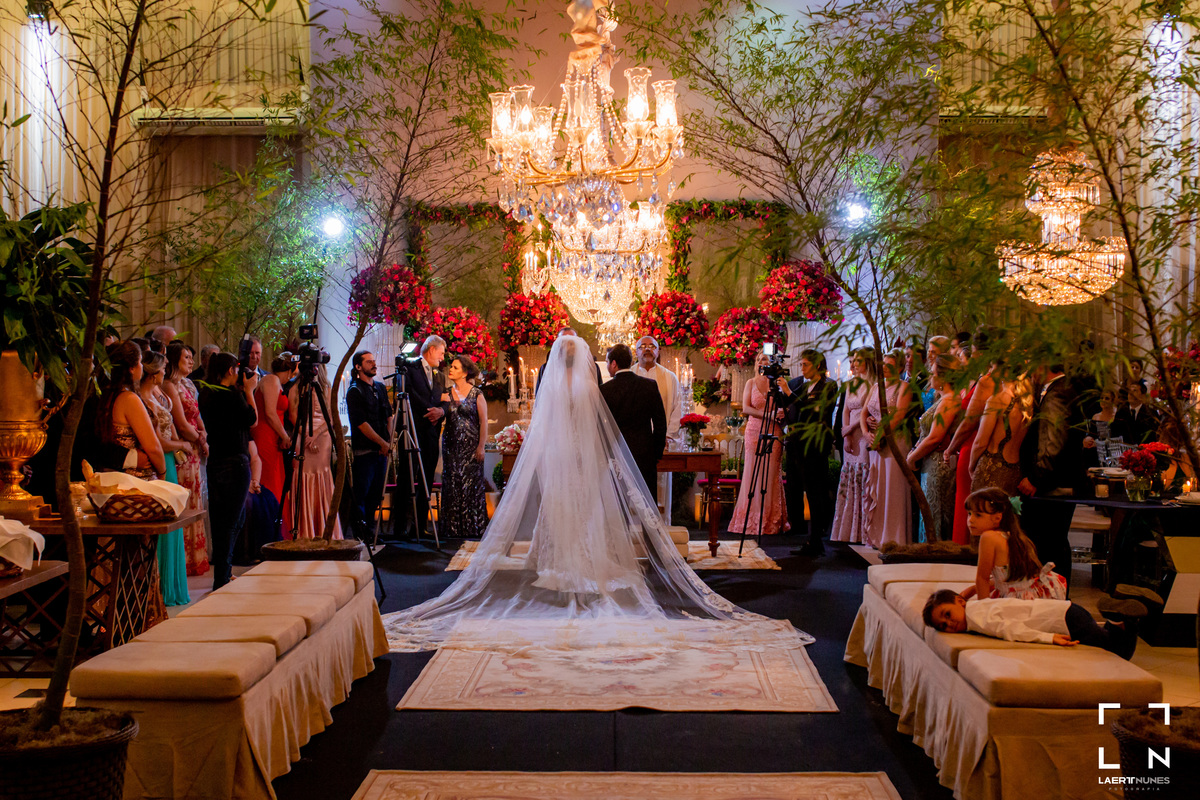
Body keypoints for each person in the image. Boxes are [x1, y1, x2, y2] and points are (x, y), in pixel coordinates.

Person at [381, 335, 812, 653]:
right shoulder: (591, 389)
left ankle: (553, 561)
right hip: (584, 460)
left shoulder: (553, 389)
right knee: (587, 510)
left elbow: (544, 432)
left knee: (559, 507)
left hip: (559, 459)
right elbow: (599, 429)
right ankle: (585, 560)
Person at [923, 589, 1143, 660]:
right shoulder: (978, 607)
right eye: (942, 626)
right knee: (1105, 638)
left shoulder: (977, 618)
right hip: (1066, 611)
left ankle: (1127, 618)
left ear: (960, 602)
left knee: (1118, 652)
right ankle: (1117, 614)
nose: (949, 624)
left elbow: (1010, 630)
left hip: (1064, 621)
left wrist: (1048, 638)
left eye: (947, 614)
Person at [1017, 362, 1085, 593]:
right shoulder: (1064, 388)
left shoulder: (1058, 394)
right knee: (1054, 542)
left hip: (1053, 485)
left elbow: (1052, 440)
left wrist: (1036, 478)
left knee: (1050, 545)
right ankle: (1055, 594)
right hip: (1058, 482)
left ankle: (1054, 595)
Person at [199, 351, 258, 589]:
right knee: (233, 520)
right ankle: (222, 577)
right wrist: (249, 391)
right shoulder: (232, 396)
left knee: (220, 519)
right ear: (230, 371)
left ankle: (223, 574)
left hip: (215, 461)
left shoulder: (206, 394)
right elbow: (252, 419)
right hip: (235, 462)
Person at [138, 351, 192, 606]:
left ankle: (171, 586)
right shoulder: (142, 400)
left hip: (169, 460)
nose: (164, 373)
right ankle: (159, 588)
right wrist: (182, 444)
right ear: (153, 373)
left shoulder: (157, 394)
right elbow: (157, 441)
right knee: (163, 520)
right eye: (161, 369)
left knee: (173, 520)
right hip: (161, 460)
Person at [776, 348, 838, 557]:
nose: (801, 368)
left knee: (816, 490)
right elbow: (787, 404)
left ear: (818, 365)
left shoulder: (829, 386)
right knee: (798, 487)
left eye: (805, 365)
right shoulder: (801, 385)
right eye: (800, 364)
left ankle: (817, 538)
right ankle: (805, 535)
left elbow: (812, 410)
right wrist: (777, 388)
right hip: (797, 443)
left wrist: (788, 392)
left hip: (816, 443)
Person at [958, 487, 1067, 601]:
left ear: (997, 518)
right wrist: (973, 590)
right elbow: (1008, 580)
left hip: (1015, 601)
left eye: (978, 515)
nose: (970, 520)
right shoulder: (1013, 536)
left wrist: (983, 609)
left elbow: (982, 578)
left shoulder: (988, 537)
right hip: (1030, 596)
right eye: (969, 513)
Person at [946, 328, 996, 544]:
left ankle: (966, 552)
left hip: (972, 446)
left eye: (973, 351)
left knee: (967, 505)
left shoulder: (987, 381)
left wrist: (950, 448)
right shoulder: (1003, 379)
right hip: (986, 448)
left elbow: (969, 422)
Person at [164, 342, 210, 575]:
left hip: (195, 443)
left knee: (196, 500)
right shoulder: (169, 385)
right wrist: (199, 439)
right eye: (186, 357)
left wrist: (204, 434)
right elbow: (181, 423)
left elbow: (197, 414)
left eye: (192, 357)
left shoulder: (188, 384)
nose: (191, 361)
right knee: (186, 501)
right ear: (175, 360)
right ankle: (183, 560)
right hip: (183, 447)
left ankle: (195, 558)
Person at [862, 349, 914, 549]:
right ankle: (878, 536)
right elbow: (864, 412)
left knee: (893, 488)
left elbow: (899, 415)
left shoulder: (904, 387)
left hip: (894, 443)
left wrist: (880, 435)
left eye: (889, 365)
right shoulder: (876, 386)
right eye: (883, 364)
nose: (884, 368)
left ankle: (894, 537)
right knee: (879, 487)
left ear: (899, 368)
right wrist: (866, 433)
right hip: (875, 443)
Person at [906, 354, 962, 541]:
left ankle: (934, 552)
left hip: (938, 466)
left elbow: (935, 437)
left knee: (936, 514)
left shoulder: (949, 401)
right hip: (930, 463)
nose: (931, 376)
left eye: (934, 372)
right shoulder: (943, 398)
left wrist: (912, 457)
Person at [599, 344, 668, 495]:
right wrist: (656, 453)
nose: (607, 366)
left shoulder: (605, 390)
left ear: (614, 363)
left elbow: (600, 427)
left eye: (607, 362)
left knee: (619, 503)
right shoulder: (649, 386)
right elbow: (660, 423)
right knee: (647, 502)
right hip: (645, 454)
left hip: (616, 455)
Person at [284, 365, 342, 539]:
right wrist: (305, 434)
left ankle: (323, 527)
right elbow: (292, 415)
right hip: (302, 434)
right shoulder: (296, 387)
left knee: (322, 474)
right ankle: (305, 529)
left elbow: (331, 417)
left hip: (322, 435)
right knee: (302, 474)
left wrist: (315, 434)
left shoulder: (326, 387)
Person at [632, 336, 685, 523]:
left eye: (651, 346)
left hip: (660, 442)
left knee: (660, 486)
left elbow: (677, 408)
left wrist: (668, 436)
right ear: (636, 351)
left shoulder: (669, 378)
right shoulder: (629, 375)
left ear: (658, 351)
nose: (647, 349)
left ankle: (661, 528)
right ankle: (635, 530)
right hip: (635, 443)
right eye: (643, 346)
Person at [399, 337, 448, 538]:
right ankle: (401, 526)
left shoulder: (440, 376)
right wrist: (431, 411)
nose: (442, 358)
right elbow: (408, 393)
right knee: (407, 476)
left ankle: (420, 526)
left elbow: (446, 399)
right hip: (413, 428)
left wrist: (441, 411)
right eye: (441, 353)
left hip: (431, 433)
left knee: (426, 478)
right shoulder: (410, 368)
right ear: (432, 349)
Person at [95, 341, 166, 480]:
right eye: (140, 362)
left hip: (115, 476)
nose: (142, 367)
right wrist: (162, 473)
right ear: (131, 368)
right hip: (136, 479)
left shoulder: (105, 395)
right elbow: (153, 448)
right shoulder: (129, 399)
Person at [441, 354, 489, 539]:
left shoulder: (476, 393)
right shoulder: (446, 393)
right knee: (452, 484)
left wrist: (481, 446)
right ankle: (452, 529)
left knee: (471, 486)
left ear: (465, 372)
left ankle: (473, 528)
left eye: (455, 367)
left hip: (471, 447)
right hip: (451, 446)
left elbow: (483, 421)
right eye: (451, 366)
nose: (451, 370)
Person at [347, 350, 394, 540]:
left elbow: (388, 415)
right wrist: (382, 442)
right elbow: (361, 423)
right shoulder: (355, 391)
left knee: (376, 493)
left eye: (374, 361)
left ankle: (371, 530)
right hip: (365, 450)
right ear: (358, 367)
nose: (374, 364)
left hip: (381, 451)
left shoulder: (380, 388)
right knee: (362, 492)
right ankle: (360, 533)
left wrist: (387, 441)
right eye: (369, 362)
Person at [830, 348, 875, 544]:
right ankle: (848, 529)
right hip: (850, 433)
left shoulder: (873, 384)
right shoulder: (851, 384)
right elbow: (846, 409)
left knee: (863, 476)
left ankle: (864, 529)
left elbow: (866, 411)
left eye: (858, 361)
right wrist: (846, 434)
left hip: (864, 432)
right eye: (853, 361)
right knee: (850, 476)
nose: (854, 364)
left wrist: (852, 428)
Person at [969, 360, 1029, 496]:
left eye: (992, 366)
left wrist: (971, 466)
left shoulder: (997, 400)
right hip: (1014, 471)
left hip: (991, 469)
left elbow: (980, 442)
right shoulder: (1026, 402)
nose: (990, 371)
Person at [250, 353, 295, 513]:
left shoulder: (275, 382)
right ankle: (269, 515)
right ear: (289, 371)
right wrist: (284, 436)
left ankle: (276, 517)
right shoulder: (271, 380)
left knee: (276, 477)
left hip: (273, 435)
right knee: (269, 478)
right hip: (265, 434)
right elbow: (270, 413)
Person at [535, 327, 603, 392]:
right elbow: (540, 395)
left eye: (571, 343)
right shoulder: (546, 368)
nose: (567, 347)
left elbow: (599, 395)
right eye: (563, 342)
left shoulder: (592, 367)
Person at [1112, 378, 1159, 444]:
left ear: (1142, 395)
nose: (1131, 394)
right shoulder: (1121, 412)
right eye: (1129, 391)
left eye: (1135, 391)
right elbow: (1115, 433)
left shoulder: (1151, 414)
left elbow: (1153, 437)